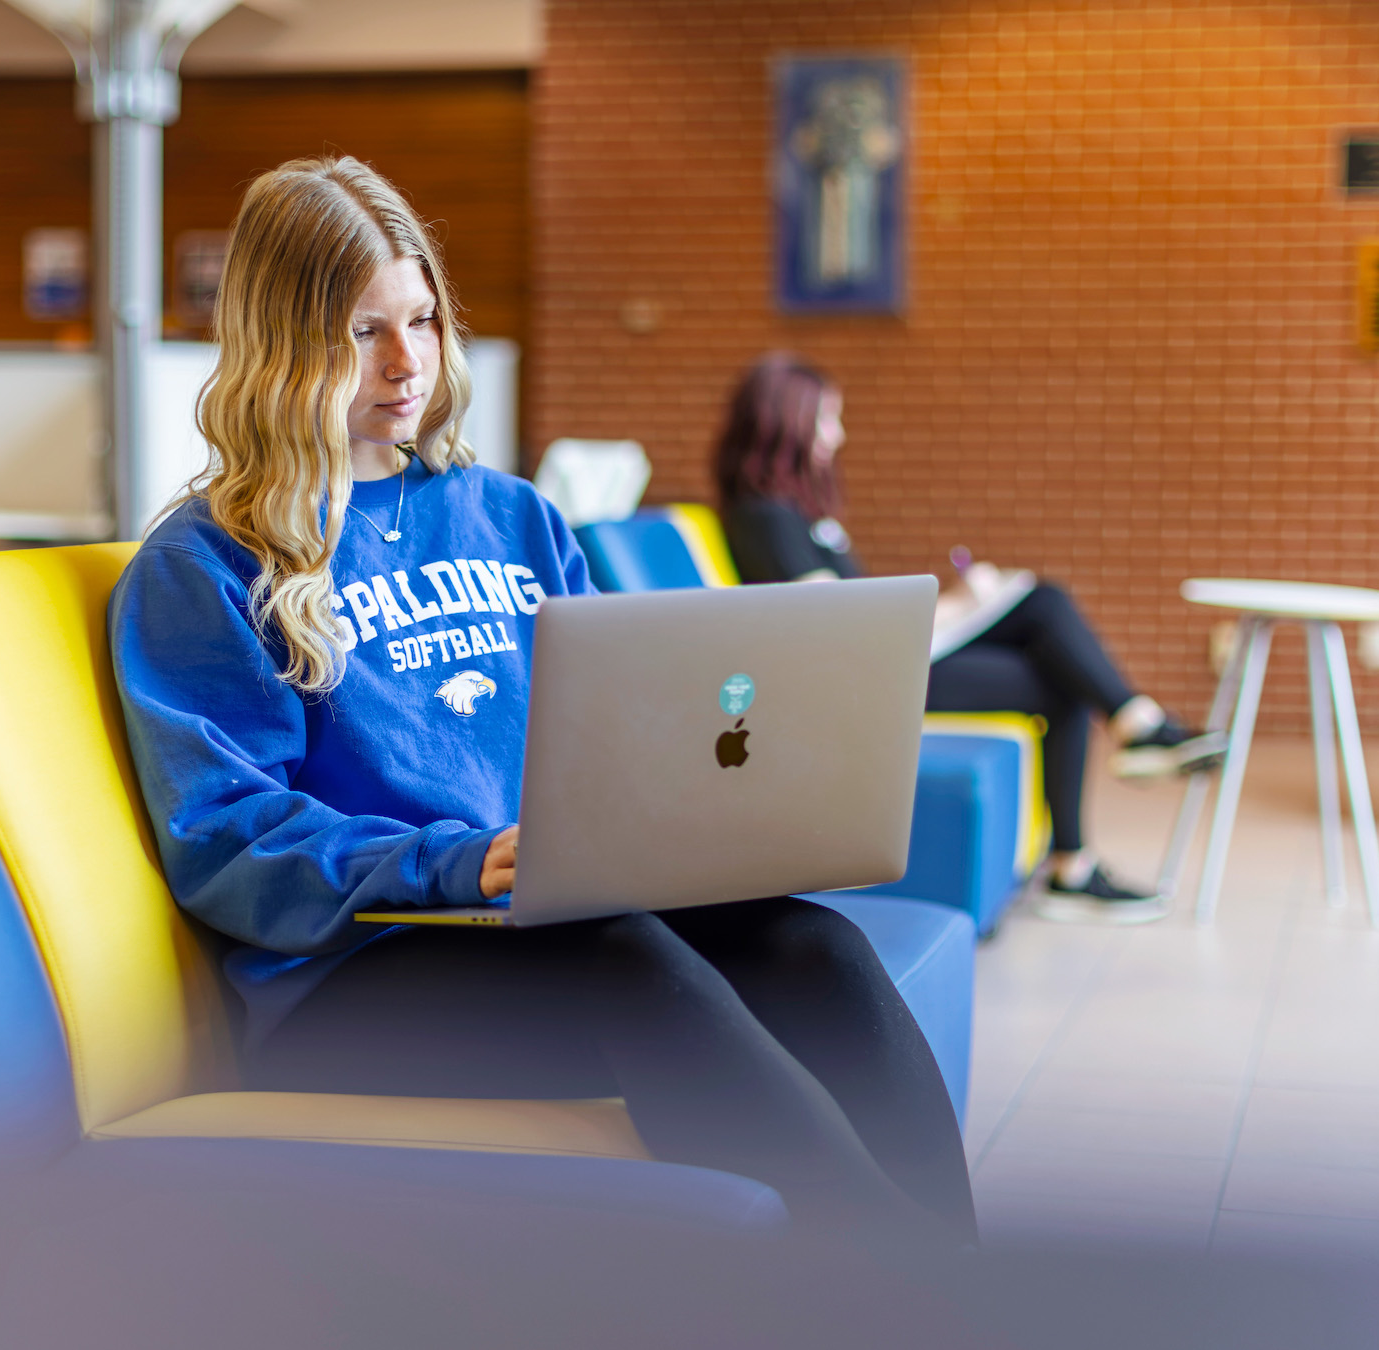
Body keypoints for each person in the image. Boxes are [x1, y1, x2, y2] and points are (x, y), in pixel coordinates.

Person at [109, 157, 973, 1245]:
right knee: (630, 961)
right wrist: (455, 863)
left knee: (817, 949)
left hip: (552, 913)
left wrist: (716, 816)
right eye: (361, 332)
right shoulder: (203, 566)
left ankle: (960, 1279)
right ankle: (906, 1295)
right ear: (281, 344)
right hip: (354, 974)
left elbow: (625, 725)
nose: (406, 362)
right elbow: (228, 840)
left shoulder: (510, 517)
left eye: (421, 320)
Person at [713, 352, 1223, 925]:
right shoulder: (764, 517)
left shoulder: (794, 514)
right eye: (828, 419)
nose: (838, 435)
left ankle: (1124, 759)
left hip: (883, 659)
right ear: (790, 421)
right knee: (1046, 622)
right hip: (864, 680)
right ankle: (1121, 766)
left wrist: (958, 603)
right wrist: (958, 604)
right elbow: (840, 621)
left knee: (1044, 616)